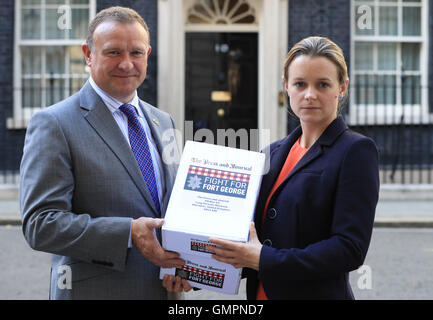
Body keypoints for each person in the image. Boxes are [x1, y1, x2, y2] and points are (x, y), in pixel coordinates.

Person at [20, 6, 191, 299]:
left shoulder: (164, 122)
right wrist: (127, 232)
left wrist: (187, 265)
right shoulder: (54, 123)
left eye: (136, 53)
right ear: (88, 54)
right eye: (113, 52)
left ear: (147, 55)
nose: (126, 64)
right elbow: (40, 224)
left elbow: (170, 207)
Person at [207, 36, 380, 299]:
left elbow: (349, 249)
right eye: (300, 84)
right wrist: (194, 274)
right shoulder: (271, 153)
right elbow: (249, 240)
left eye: (323, 84)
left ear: (342, 87)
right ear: (287, 86)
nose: (310, 94)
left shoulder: (355, 151)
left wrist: (264, 259)